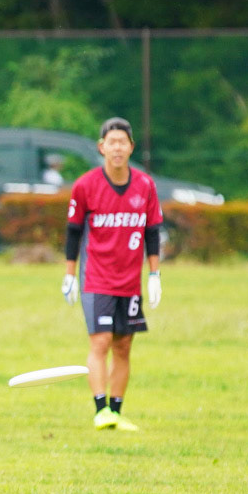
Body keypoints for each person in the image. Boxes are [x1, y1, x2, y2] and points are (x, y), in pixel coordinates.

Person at [62, 117, 163, 431]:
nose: (117, 148)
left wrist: (154, 275)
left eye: (123, 142)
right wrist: (70, 275)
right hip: (96, 279)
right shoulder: (85, 185)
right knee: (101, 342)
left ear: (131, 147)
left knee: (123, 346)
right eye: (112, 142)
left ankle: (116, 412)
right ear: (101, 147)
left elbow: (152, 232)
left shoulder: (145, 185)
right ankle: (100, 410)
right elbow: (73, 232)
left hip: (130, 281)